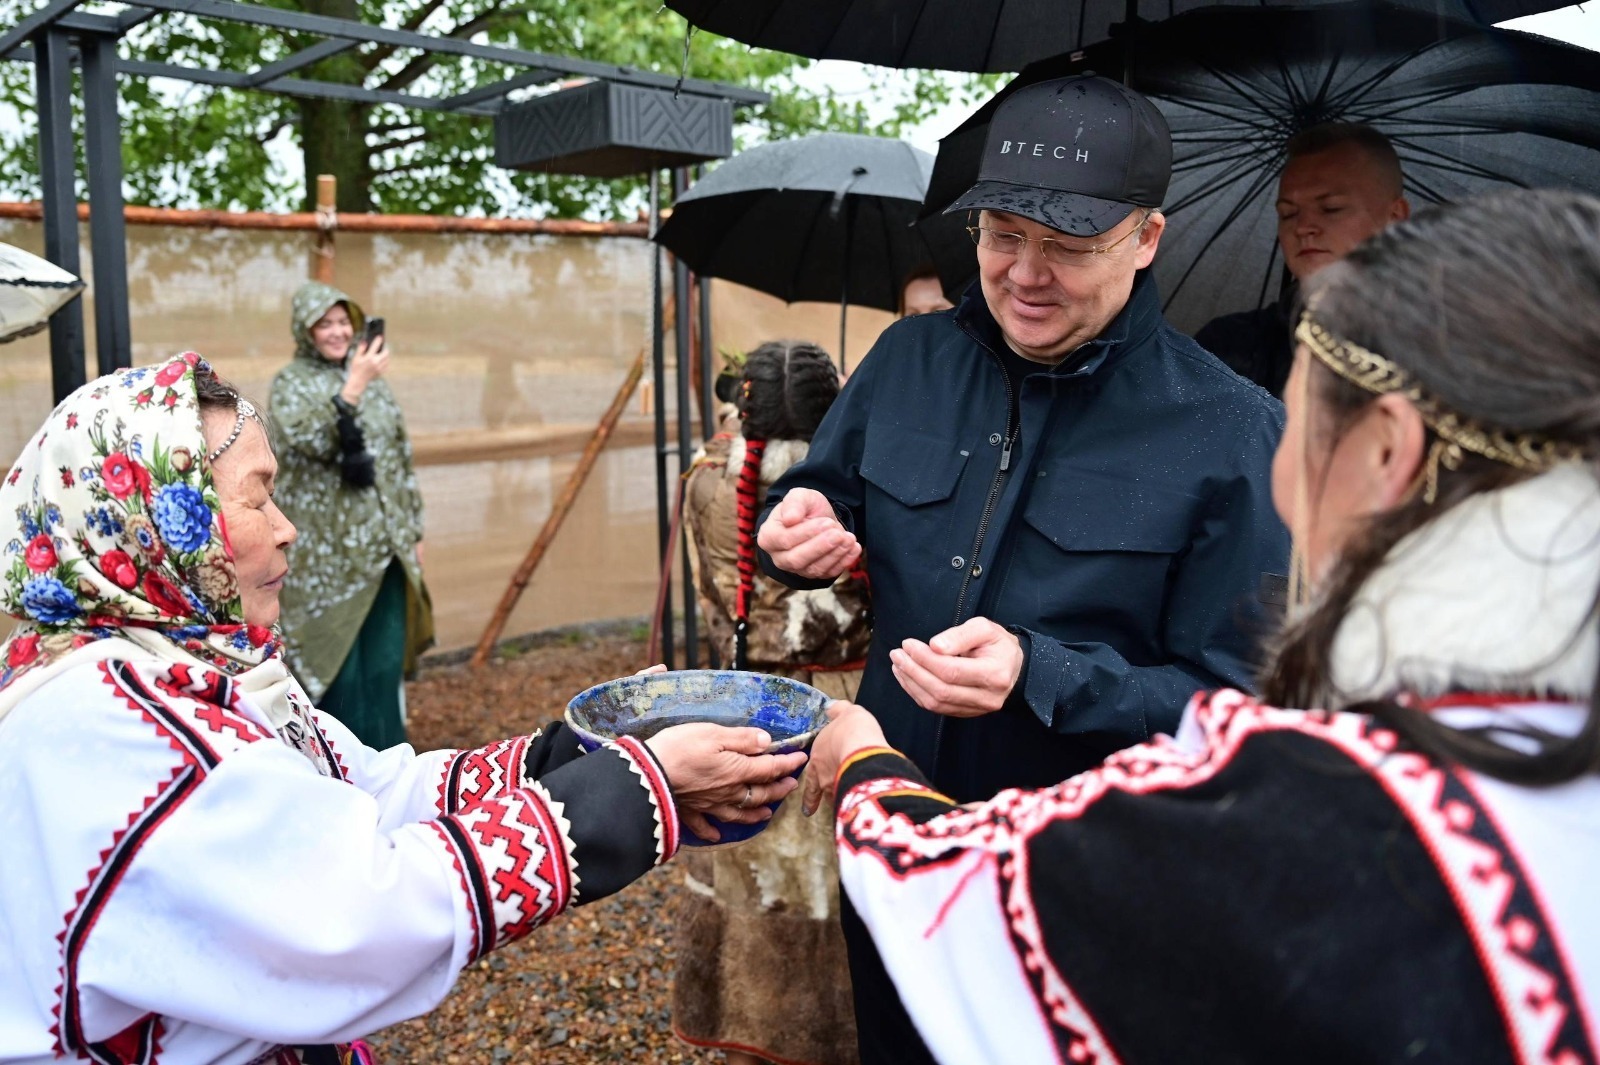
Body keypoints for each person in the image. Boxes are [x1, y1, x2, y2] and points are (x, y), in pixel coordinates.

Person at [805, 188, 1600, 1063]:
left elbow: (955, 896)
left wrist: (863, 761)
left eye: (1302, 421)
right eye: (1003, 237)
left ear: (1386, 450)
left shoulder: (1307, 807)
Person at [0, 355, 807, 1065]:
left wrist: (584, 752)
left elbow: (371, 792)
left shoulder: (184, 670)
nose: (287, 531)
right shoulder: (111, 732)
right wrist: (641, 787)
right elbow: (355, 910)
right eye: (257, 499)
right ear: (155, 525)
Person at [756, 74, 1289, 1065]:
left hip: (1088, 874)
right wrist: (794, 532)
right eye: (1003, 235)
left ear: (1147, 239)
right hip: (894, 829)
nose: (1026, 274)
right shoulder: (905, 360)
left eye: (1069, 247)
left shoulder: (1231, 432)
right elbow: (815, 501)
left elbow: (1244, 713)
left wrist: (1041, 674)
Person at [673, 341, 871, 1065]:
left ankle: (753, 1036)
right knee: (834, 893)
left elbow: (708, 589)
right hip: (846, 705)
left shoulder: (707, 479)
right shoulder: (854, 479)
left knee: (753, 889)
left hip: (743, 704)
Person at [270, 281, 429, 750]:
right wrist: (353, 385)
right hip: (328, 559)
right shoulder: (292, 382)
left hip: (385, 549)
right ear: (306, 330)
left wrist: (413, 529)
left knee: (382, 664)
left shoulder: (378, 387)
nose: (338, 332)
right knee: (336, 664)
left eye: (345, 322)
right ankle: (340, 768)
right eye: (326, 323)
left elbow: (398, 457)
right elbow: (309, 441)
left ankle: (389, 758)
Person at [1196, 122, 1411, 397]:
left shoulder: (1453, 349)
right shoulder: (1228, 349)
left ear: (1394, 219)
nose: (1302, 227)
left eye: (1330, 208)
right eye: (1288, 213)